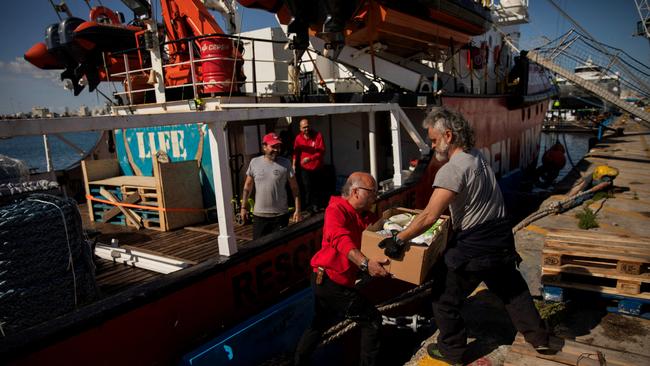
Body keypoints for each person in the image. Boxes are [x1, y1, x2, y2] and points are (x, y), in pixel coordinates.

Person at [378, 107, 550, 365]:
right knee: (512, 290)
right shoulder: (476, 156)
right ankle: (540, 338)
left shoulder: (451, 170)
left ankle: (452, 352)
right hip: (500, 237)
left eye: (434, 139)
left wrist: (398, 239)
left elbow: (428, 216)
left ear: (448, 135)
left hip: (476, 244)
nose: (431, 144)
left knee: (443, 299)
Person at [294, 172, 390, 366]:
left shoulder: (362, 214)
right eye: (372, 192)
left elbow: (379, 229)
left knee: (319, 323)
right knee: (372, 321)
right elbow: (340, 239)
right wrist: (365, 264)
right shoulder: (335, 210)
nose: (375, 196)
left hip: (329, 280)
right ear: (355, 192)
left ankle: (298, 362)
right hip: (330, 281)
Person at [240, 132, 302, 239]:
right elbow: (247, 187)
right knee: (259, 249)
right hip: (259, 216)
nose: (277, 150)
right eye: (273, 146)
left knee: (279, 248)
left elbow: (295, 188)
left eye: (278, 146)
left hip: (280, 216)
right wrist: (243, 207)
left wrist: (298, 209)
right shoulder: (254, 162)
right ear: (264, 147)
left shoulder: (286, 163)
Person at [293, 118, 326, 212]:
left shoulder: (318, 135)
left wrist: (310, 158)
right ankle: (307, 206)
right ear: (300, 128)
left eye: (307, 126)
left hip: (317, 166)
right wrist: (293, 164)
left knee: (317, 187)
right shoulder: (298, 138)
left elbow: (321, 152)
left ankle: (316, 205)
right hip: (305, 167)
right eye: (304, 127)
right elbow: (296, 152)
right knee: (306, 186)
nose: (306, 129)